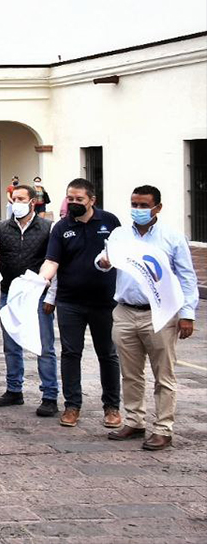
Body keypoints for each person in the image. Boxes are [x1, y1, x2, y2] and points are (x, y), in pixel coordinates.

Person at [97, 185, 198, 451]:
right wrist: (103, 262)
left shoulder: (172, 237)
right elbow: (104, 258)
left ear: (157, 208)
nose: (138, 210)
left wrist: (187, 314)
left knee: (164, 375)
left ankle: (163, 428)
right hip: (126, 311)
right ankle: (134, 420)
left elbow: (186, 278)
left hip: (161, 314)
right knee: (130, 373)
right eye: (134, 204)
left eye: (143, 205)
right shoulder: (119, 234)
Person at [0, 184, 59, 416]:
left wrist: (51, 295)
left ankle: (49, 394)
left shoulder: (48, 228)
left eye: (20, 199)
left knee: (44, 346)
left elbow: (56, 263)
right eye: (13, 198)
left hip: (37, 296)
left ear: (32, 202)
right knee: (11, 345)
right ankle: (14, 389)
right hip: (9, 293)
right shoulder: (2, 227)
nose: (15, 203)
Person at [40, 178, 122, 429]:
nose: (73, 203)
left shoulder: (110, 222)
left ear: (92, 200)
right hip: (70, 302)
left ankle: (111, 407)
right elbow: (52, 260)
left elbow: (121, 256)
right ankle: (72, 405)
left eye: (79, 199)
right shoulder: (61, 227)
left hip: (104, 302)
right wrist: (41, 280)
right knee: (71, 353)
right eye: (70, 199)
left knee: (107, 354)